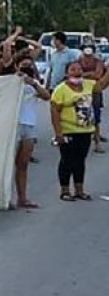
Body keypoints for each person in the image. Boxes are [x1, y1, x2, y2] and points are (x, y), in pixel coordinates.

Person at [51, 61, 109, 201]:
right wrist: (58, 133)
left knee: (80, 161)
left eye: (79, 69)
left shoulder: (88, 84)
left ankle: (79, 190)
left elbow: (101, 85)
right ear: (67, 73)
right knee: (67, 160)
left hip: (85, 130)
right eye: (73, 69)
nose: (76, 72)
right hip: (68, 130)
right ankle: (65, 190)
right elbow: (55, 112)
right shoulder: (61, 89)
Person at [14, 53, 50, 208]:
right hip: (12, 125)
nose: (27, 68)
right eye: (24, 65)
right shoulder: (11, 81)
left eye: (29, 65)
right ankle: (5, 197)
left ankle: (22, 198)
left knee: (23, 164)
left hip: (28, 125)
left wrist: (33, 83)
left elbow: (46, 96)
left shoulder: (34, 83)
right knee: (7, 163)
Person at [78, 43, 106, 153]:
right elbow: (76, 74)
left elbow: (98, 75)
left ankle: (97, 142)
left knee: (96, 117)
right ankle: (82, 142)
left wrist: (84, 74)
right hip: (81, 91)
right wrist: (90, 74)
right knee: (82, 116)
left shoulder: (98, 62)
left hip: (94, 91)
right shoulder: (78, 61)